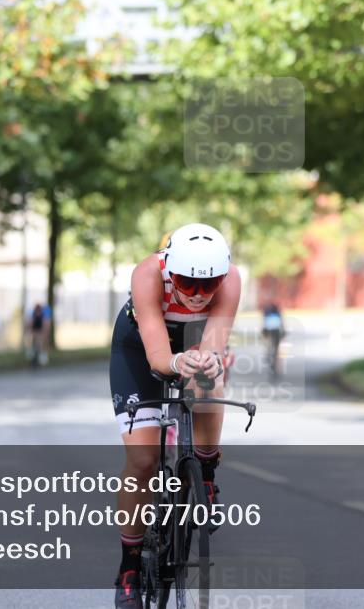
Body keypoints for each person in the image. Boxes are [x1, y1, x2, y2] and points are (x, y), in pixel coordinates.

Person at [110, 223, 240, 608]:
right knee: (143, 460)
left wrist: (209, 361)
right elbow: (157, 354)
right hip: (141, 346)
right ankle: (129, 567)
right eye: (188, 282)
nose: (199, 294)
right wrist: (176, 360)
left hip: (194, 338)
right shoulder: (148, 273)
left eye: (209, 284)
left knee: (208, 381)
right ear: (170, 268)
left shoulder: (231, 280)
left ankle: (207, 471)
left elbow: (215, 339)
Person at [261, 300, 285, 376]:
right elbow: (282, 322)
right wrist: (283, 330)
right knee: (276, 349)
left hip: (269, 330)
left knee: (268, 345)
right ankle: (272, 360)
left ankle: (268, 355)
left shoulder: (266, 311)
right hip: (276, 331)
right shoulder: (277, 311)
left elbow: (264, 322)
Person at [27, 302, 52, 367]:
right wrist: (31, 333)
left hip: (41, 330)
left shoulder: (44, 315)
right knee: (33, 342)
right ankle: (33, 358)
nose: (38, 312)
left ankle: (42, 358)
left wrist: (44, 336)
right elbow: (30, 325)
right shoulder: (33, 314)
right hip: (35, 330)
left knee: (41, 343)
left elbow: (46, 326)